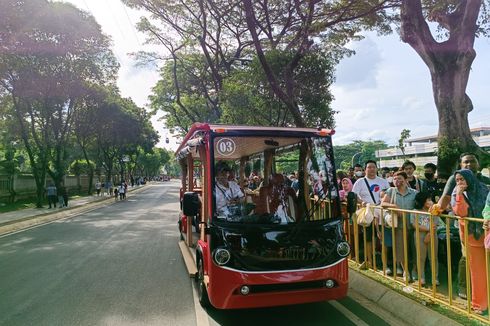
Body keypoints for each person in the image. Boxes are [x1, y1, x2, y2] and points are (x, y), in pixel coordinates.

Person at [432, 153, 490, 298]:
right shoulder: (455, 179)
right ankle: (463, 287)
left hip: (485, 226)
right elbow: (445, 198)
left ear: (478, 163)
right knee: (466, 257)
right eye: (465, 162)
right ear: (460, 165)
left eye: (472, 161)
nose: (469, 165)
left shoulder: (484, 181)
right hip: (467, 228)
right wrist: (437, 209)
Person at [452, 169, 489, 315]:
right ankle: (479, 304)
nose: (460, 182)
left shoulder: (483, 189)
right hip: (472, 236)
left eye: (462, 179)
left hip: (487, 233)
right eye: (457, 180)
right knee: (477, 272)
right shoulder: (458, 193)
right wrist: (460, 195)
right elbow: (460, 213)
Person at [352, 160, 390, 268]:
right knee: (368, 238)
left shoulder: (383, 181)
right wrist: (362, 202)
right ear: (365, 169)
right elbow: (354, 195)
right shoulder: (360, 182)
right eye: (369, 167)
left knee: (383, 237)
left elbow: (388, 194)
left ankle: (385, 264)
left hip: (381, 211)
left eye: (373, 167)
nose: (371, 169)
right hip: (367, 213)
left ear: (377, 169)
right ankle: (369, 260)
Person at [381, 171, 417, 281]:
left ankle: (415, 271)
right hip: (399, 227)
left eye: (400, 178)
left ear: (406, 180)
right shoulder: (391, 191)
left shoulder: (414, 193)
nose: (397, 181)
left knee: (415, 250)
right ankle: (406, 271)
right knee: (401, 250)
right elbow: (383, 204)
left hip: (414, 226)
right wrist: (394, 206)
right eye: (395, 179)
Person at [411, 191, 439, 286]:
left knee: (433, 257)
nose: (430, 202)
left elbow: (435, 224)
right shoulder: (415, 211)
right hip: (419, 235)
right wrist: (428, 230)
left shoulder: (434, 210)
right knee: (421, 257)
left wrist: (430, 233)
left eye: (430, 200)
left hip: (432, 235)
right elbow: (414, 224)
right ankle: (421, 277)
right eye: (428, 200)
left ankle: (435, 278)